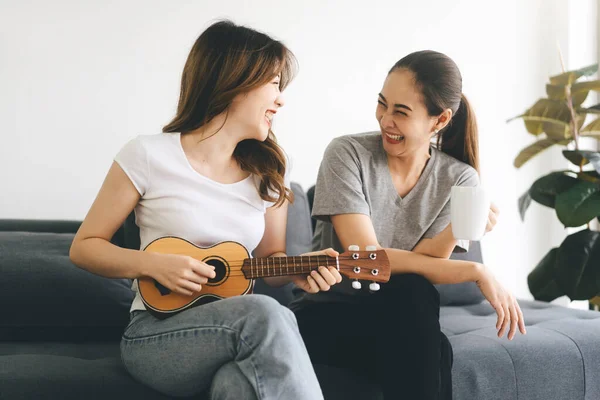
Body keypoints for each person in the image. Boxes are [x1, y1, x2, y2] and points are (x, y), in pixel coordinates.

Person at [69, 20, 342, 400]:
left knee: (237, 385)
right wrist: (152, 265)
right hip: (155, 334)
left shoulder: (267, 175)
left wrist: (299, 270)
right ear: (236, 82)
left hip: (233, 332)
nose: (280, 100)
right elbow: (84, 247)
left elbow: (271, 261)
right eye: (274, 85)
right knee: (266, 314)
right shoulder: (147, 155)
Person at [289, 50, 527, 400]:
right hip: (328, 310)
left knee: (416, 299)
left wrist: (458, 230)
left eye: (401, 112)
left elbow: (428, 264)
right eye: (383, 105)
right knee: (431, 341)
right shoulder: (347, 153)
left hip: (400, 313)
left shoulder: (460, 178)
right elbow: (365, 257)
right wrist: (475, 271)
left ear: (440, 120)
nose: (385, 119)